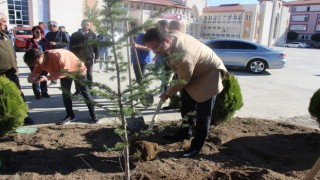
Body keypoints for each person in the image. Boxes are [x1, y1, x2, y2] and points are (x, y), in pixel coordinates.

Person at [143, 27, 229, 157]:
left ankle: (196, 147)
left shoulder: (183, 55)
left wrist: (167, 93)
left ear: (166, 40)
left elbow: (183, 80)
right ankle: (184, 133)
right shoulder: (170, 36)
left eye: (155, 48)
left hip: (208, 74)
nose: (154, 52)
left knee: (203, 115)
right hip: (193, 71)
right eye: (151, 49)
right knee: (187, 106)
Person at [23, 48, 99, 125]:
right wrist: (30, 78)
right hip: (63, 73)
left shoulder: (57, 56)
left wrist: (48, 78)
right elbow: (36, 71)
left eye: (36, 63)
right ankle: (70, 115)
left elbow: (65, 71)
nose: (37, 65)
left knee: (85, 93)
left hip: (77, 71)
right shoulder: (40, 61)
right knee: (66, 94)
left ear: (40, 56)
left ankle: (93, 115)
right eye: (34, 64)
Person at [0, 12, 34, 125]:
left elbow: (12, 52)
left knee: (18, 93)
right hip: (1, 73)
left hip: (11, 71)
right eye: (4, 21)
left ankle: (24, 116)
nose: (6, 23)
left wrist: (16, 66)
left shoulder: (5, 35)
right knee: (3, 96)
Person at [69, 19, 99, 95]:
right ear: (81, 25)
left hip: (88, 57)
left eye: (87, 25)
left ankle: (90, 89)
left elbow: (96, 46)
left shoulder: (92, 35)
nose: (86, 26)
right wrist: (71, 57)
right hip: (77, 58)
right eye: (84, 24)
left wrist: (97, 57)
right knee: (77, 74)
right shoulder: (75, 35)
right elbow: (71, 47)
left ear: (89, 25)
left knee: (89, 73)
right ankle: (78, 90)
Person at [26, 26, 50, 99]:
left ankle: (44, 92)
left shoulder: (45, 40)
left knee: (43, 76)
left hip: (44, 61)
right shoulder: (30, 41)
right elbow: (28, 51)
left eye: (40, 31)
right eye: (37, 31)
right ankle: (37, 94)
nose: (39, 33)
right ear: (33, 32)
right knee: (35, 76)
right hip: (34, 61)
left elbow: (49, 49)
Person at [45, 21, 70, 86]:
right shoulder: (48, 34)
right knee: (52, 67)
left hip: (61, 53)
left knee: (62, 67)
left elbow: (67, 43)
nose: (48, 29)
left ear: (55, 26)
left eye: (50, 27)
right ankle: (53, 80)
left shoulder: (62, 33)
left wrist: (56, 43)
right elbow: (45, 42)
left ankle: (64, 81)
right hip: (51, 53)